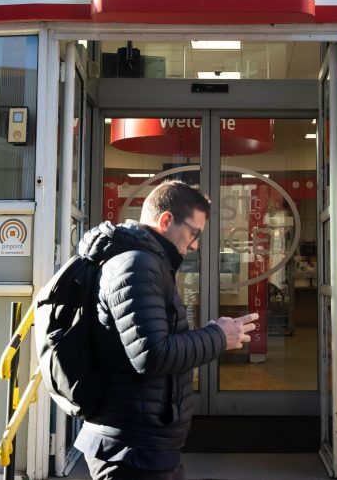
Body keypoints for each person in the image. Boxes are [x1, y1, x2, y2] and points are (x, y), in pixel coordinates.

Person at [73, 179, 258, 480]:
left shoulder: (148, 262)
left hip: (143, 444)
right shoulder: (137, 264)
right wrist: (219, 336)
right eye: (194, 233)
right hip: (131, 448)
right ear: (166, 220)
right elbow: (152, 354)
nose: (196, 244)